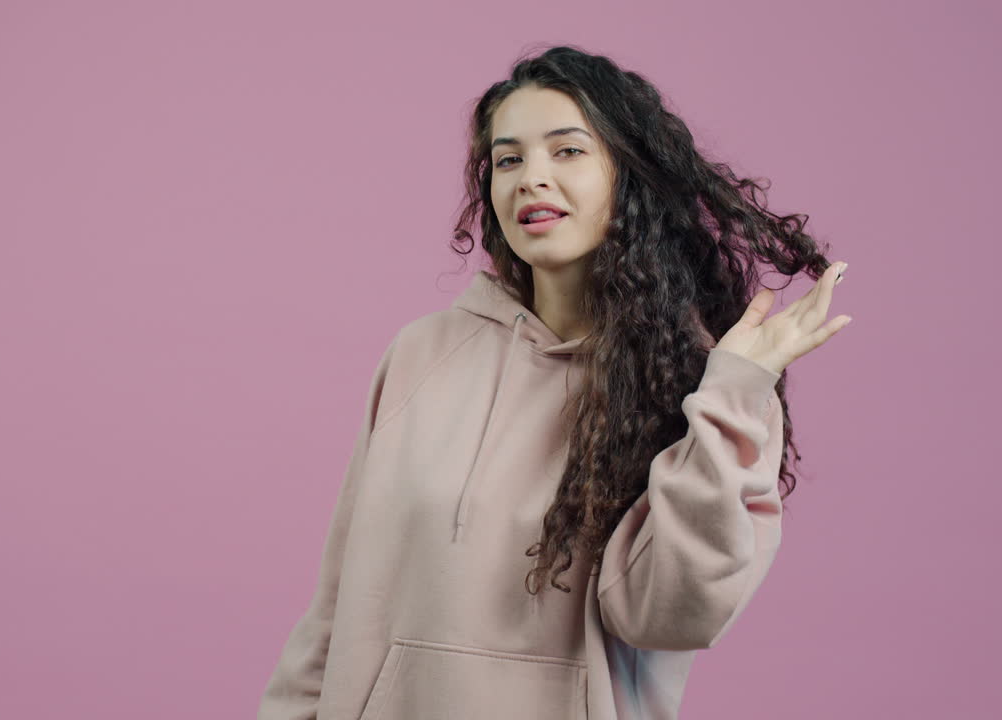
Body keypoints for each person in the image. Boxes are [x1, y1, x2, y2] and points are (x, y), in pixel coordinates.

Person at [256, 44, 851, 720]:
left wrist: (734, 393)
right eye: (509, 160)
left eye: (567, 151)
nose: (531, 179)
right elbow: (337, 602)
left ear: (631, 178)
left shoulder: (704, 390)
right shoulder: (423, 355)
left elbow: (666, 617)